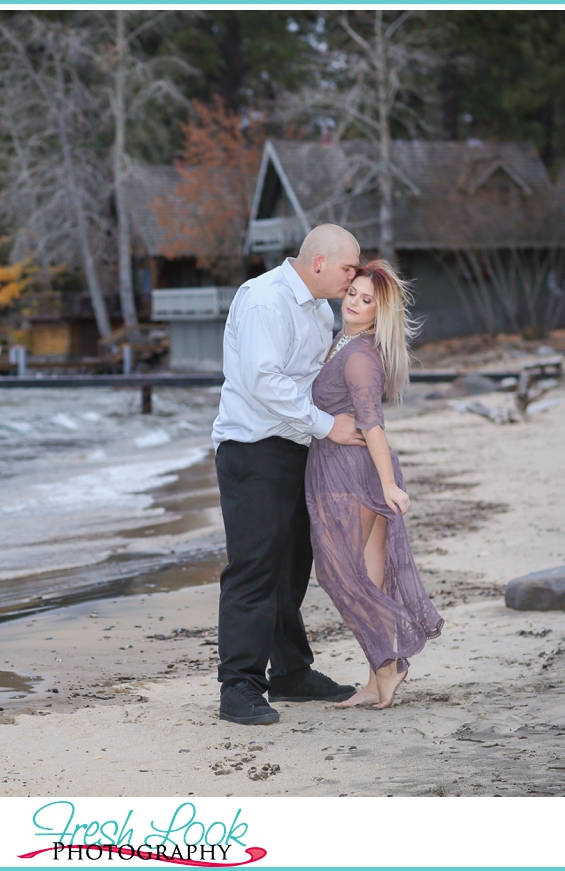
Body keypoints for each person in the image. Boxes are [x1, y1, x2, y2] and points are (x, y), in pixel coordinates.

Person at [212, 224, 365, 726]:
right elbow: (263, 381)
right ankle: (239, 686)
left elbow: (314, 376)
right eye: (348, 268)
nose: (353, 276)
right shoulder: (264, 299)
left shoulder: (320, 310)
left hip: (299, 446)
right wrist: (329, 426)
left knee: (294, 564)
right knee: (254, 568)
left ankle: (291, 673)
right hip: (252, 448)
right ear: (318, 262)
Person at [305, 260, 443, 709]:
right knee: (371, 577)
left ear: (380, 313)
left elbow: (374, 426)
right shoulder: (342, 341)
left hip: (352, 475)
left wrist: (388, 485)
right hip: (339, 467)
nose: (355, 305)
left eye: (368, 301)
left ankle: (392, 661)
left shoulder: (361, 357)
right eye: (353, 295)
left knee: (338, 573)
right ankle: (376, 678)